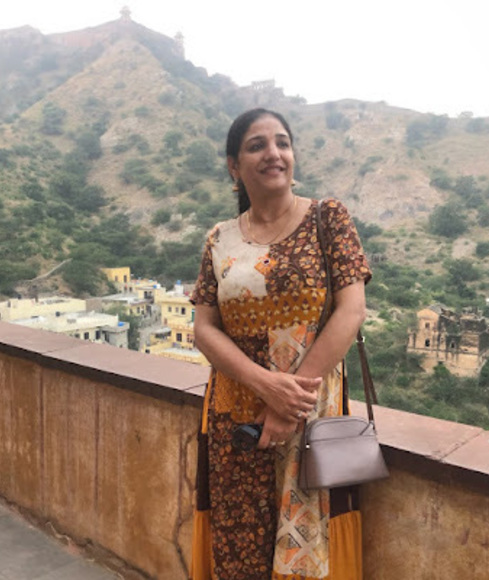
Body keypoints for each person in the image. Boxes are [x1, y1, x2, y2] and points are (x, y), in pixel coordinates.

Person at [189, 108, 371, 580]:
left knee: (306, 551)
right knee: (238, 551)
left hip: (310, 416)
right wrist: (265, 385)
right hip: (235, 417)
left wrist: (289, 403)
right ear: (234, 166)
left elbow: (351, 311)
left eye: (282, 142)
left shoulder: (327, 218)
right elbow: (204, 328)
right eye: (257, 145)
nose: (274, 153)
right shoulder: (219, 239)